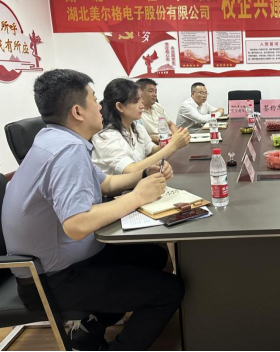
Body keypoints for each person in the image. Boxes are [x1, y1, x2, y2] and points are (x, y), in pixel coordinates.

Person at [1, 69, 185, 351]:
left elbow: (106, 183)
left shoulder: (56, 139)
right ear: (78, 111)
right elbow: (77, 224)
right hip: (52, 281)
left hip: (64, 263)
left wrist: (143, 175)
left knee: (152, 256)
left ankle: (89, 327)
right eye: (94, 99)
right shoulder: (66, 151)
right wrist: (139, 196)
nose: (100, 106)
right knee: (170, 291)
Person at [92, 78, 190, 175]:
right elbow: (130, 170)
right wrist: (172, 146)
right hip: (121, 185)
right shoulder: (105, 136)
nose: (142, 106)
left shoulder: (137, 127)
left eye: (141, 100)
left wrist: (165, 144)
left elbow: (151, 149)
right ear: (120, 107)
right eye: (136, 101)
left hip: (137, 182)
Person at [136, 78, 178, 145]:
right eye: (151, 91)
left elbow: (170, 124)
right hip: (153, 144)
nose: (154, 94)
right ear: (140, 93)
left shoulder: (158, 106)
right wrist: (161, 139)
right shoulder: (136, 111)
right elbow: (141, 136)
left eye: (155, 92)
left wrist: (177, 136)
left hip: (168, 140)